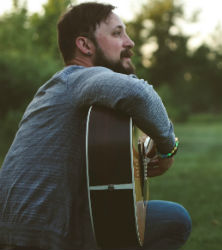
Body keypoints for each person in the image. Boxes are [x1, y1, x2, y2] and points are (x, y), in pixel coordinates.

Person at [0, 2, 191, 249]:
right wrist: (167, 149)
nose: (129, 42)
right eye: (117, 33)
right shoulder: (77, 78)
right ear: (85, 45)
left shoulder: (60, 89)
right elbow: (139, 94)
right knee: (176, 219)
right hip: (44, 234)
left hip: (25, 228)